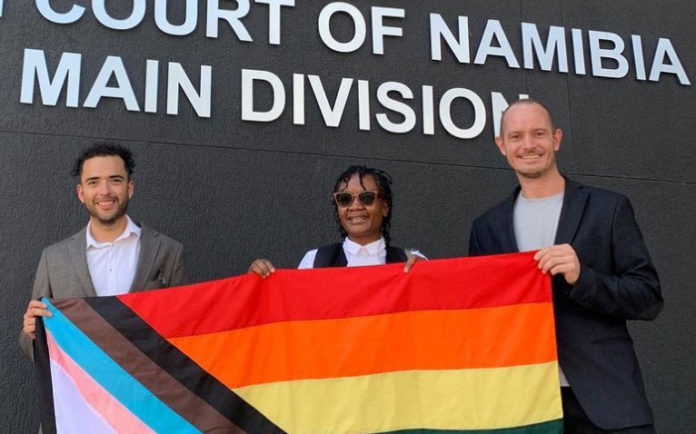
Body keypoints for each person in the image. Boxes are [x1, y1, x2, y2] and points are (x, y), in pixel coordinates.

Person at [468, 99, 663, 433]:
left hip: (606, 402)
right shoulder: (487, 227)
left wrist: (582, 277)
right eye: (516, 137)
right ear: (502, 146)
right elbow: (479, 313)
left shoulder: (609, 208)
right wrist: (419, 274)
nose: (528, 145)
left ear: (556, 139)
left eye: (538, 133)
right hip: (525, 407)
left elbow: (648, 297)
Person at [20, 143, 189, 360]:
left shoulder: (167, 251)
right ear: (81, 193)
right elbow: (32, 347)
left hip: (147, 390)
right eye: (93, 182)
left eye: (115, 180)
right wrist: (31, 334)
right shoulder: (54, 259)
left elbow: (188, 332)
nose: (105, 191)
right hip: (81, 391)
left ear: (130, 188)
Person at [250, 165, 422, 276]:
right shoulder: (315, 261)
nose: (355, 206)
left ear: (384, 207)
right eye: (345, 199)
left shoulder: (412, 262)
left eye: (366, 197)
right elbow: (292, 313)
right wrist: (258, 282)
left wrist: (426, 274)